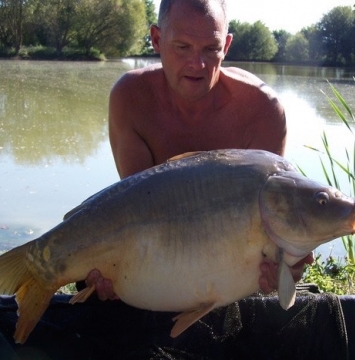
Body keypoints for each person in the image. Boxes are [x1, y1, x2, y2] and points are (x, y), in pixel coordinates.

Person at [86, 0, 313, 300]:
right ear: (156, 39)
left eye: (210, 49)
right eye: (182, 47)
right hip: (159, 243)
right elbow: (138, 212)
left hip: (228, 271)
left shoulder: (263, 110)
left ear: (227, 45)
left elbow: (268, 229)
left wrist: (284, 265)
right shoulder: (130, 98)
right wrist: (122, 270)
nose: (197, 64)